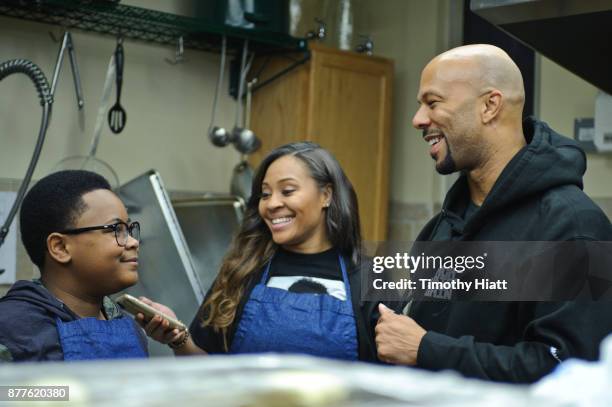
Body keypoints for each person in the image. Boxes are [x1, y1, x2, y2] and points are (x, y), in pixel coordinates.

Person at [374, 44, 612, 383]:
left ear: (490, 106)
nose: (418, 120)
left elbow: (571, 373)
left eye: (433, 102)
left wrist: (428, 349)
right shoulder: (439, 229)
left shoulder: (575, 226)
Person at [139, 142, 379, 361]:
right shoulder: (243, 270)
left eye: (287, 191)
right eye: (265, 194)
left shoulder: (368, 277)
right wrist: (178, 337)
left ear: (326, 195)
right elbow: (205, 368)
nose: (272, 204)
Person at [0, 170, 147, 362]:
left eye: (128, 229)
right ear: (60, 247)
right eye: (115, 229)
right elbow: (9, 393)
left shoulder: (131, 327)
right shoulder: (11, 332)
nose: (133, 242)